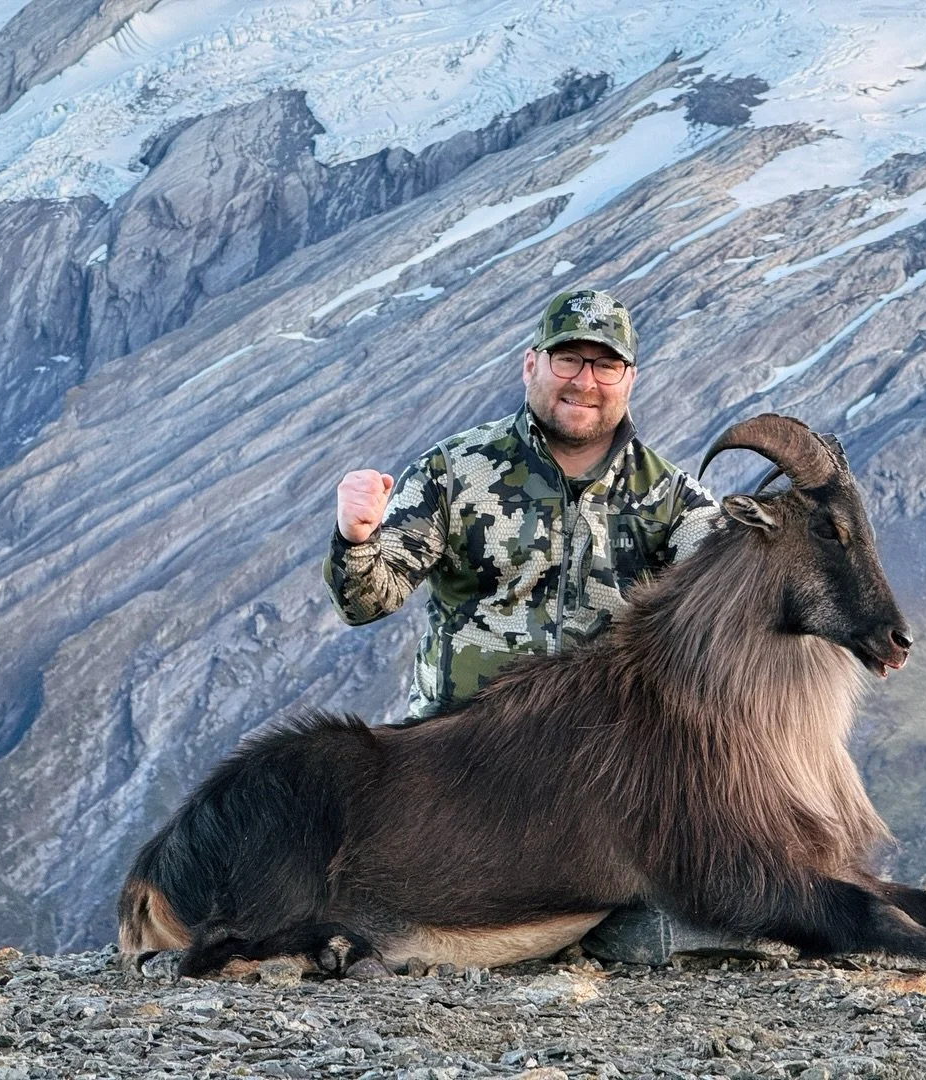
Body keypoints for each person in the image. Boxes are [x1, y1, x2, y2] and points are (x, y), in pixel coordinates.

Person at [323, 288, 758, 964]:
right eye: (568, 359)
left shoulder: (671, 498)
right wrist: (356, 537)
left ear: (629, 379)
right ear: (531, 365)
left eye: (605, 365)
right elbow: (369, 600)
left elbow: (730, 609)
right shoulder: (453, 471)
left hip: (602, 776)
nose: (585, 381)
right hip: (461, 760)